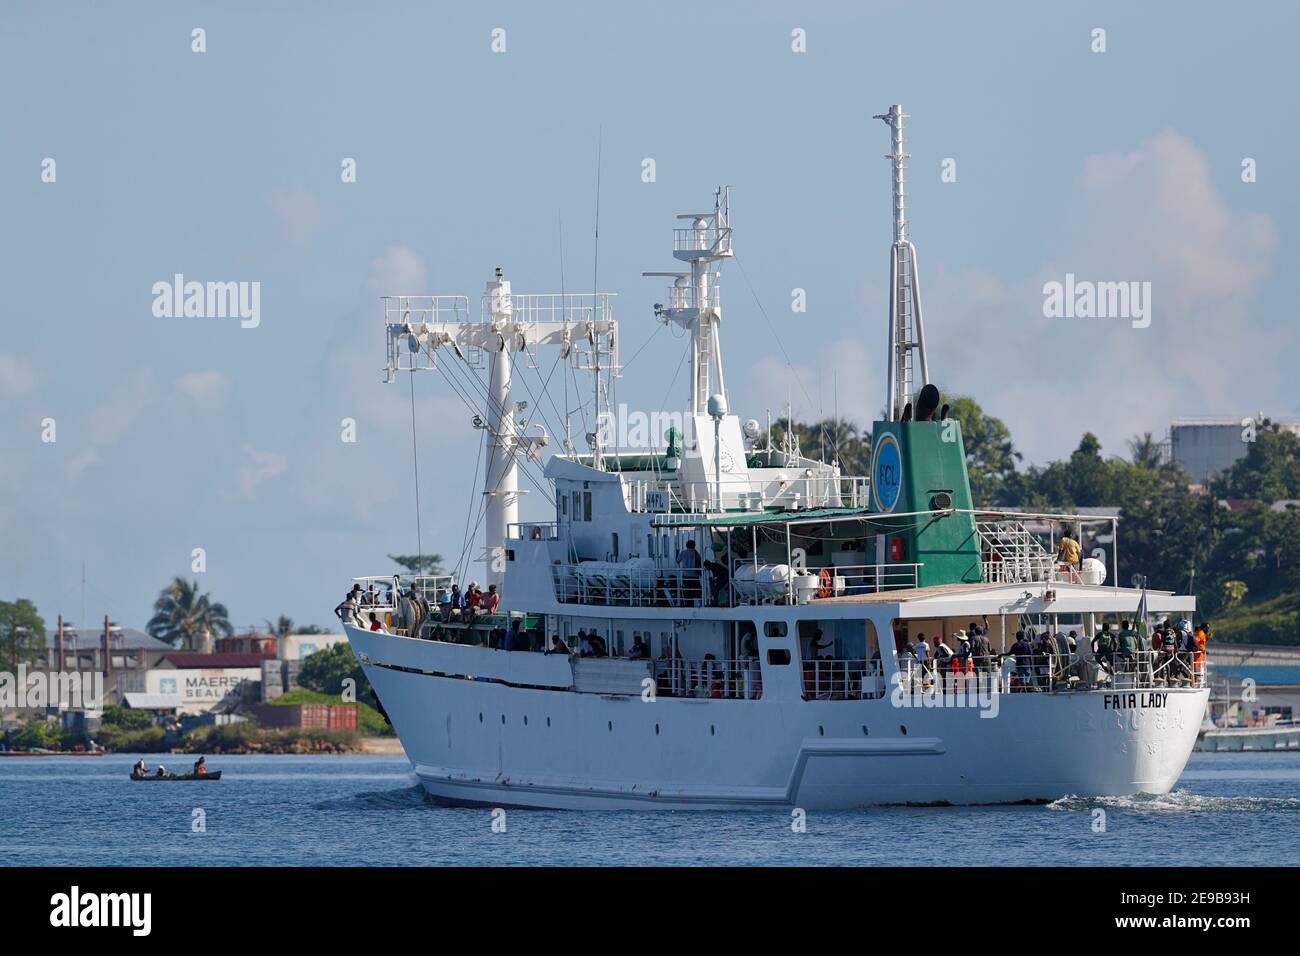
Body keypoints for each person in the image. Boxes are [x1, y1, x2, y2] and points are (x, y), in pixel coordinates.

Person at [677, 540, 703, 606]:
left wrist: (677, 553)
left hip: (685, 574)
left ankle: (687, 603)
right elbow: (700, 560)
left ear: (686, 545)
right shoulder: (695, 552)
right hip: (695, 575)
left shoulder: (683, 552)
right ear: (694, 545)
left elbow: (677, 561)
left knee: (687, 590)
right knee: (696, 590)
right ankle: (697, 604)